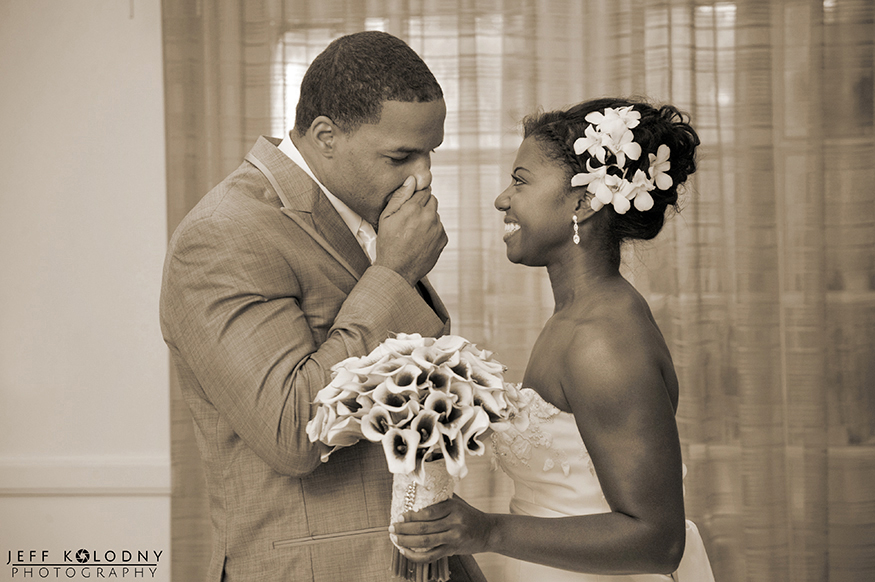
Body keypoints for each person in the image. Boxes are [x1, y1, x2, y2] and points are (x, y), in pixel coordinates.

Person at [160, 31, 484, 581]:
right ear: (325, 135)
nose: (423, 176)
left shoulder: (357, 213)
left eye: (430, 152)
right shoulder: (223, 236)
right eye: (401, 155)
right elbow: (292, 433)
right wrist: (394, 273)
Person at [391, 97, 716, 581]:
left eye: (520, 181)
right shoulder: (576, 317)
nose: (503, 198)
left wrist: (487, 531)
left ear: (584, 202)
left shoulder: (602, 339)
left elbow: (658, 540)